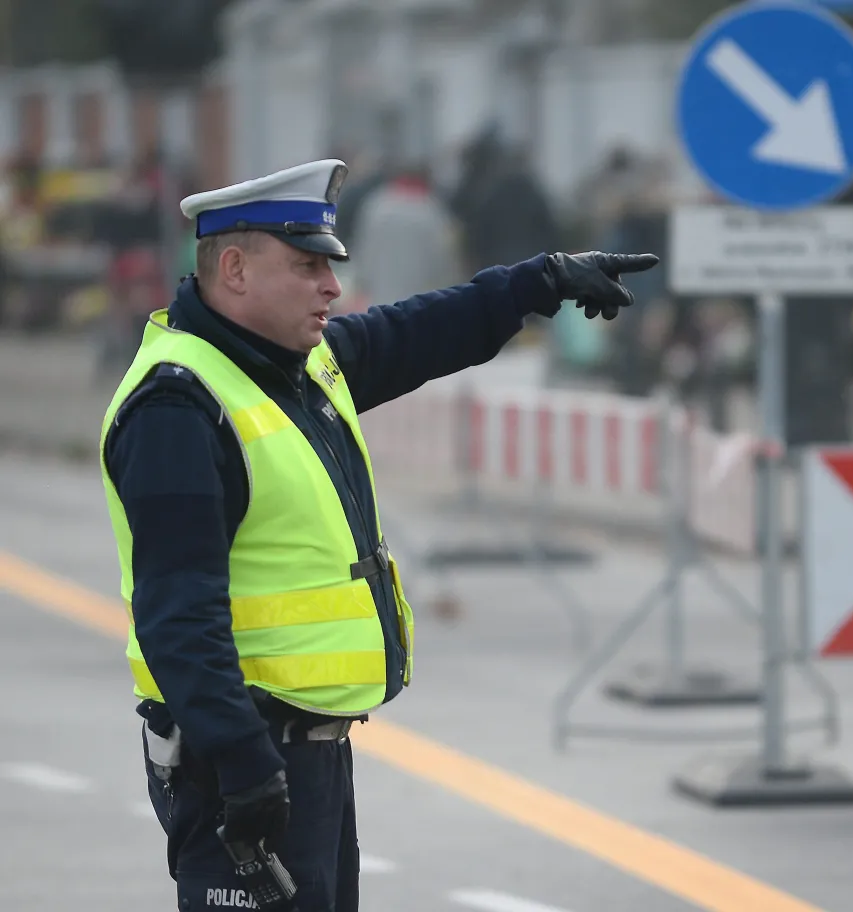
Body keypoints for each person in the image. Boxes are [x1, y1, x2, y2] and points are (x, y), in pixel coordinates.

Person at [96, 159, 657, 911]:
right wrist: (243, 766)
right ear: (232, 268)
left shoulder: (288, 367)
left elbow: (413, 334)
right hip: (241, 754)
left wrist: (541, 280)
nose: (331, 287)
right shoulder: (180, 406)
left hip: (302, 754)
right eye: (306, 267)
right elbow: (178, 615)